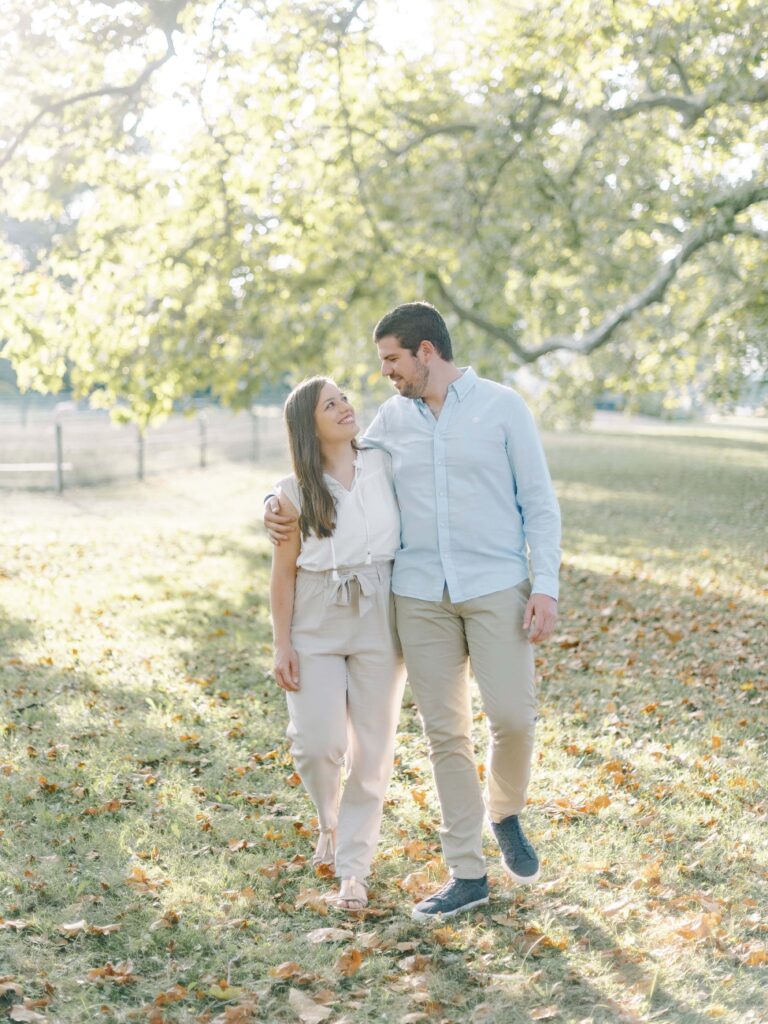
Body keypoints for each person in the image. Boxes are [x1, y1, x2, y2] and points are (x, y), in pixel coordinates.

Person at [266, 303, 560, 922]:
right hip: (419, 596)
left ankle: (504, 812)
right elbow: (328, 461)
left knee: (513, 718)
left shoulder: (502, 407)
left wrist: (547, 585)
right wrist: (274, 497)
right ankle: (467, 873)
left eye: (392, 361)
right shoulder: (390, 421)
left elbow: (539, 501)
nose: (386, 375)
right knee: (445, 734)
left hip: (496, 584)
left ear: (426, 352)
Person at [269, 376, 404, 912]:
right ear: (310, 424)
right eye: (332, 405)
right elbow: (282, 575)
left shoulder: (384, 462)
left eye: (345, 398)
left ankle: (354, 870)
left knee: (371, 749)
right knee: (317, 743)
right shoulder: (293, 492)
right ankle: (328, 819)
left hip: (379, 606)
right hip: (316, 615)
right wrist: (283, 644)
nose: (347, 408)